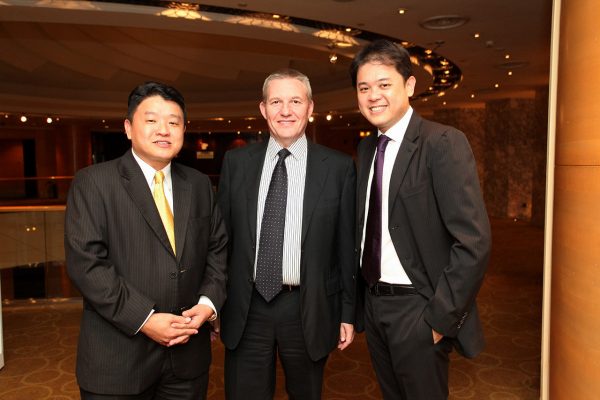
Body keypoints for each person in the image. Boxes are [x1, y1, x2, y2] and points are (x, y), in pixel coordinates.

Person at [65, 82, 228, 399]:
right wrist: (145, 319)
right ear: (128, 128)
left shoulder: (198, 184)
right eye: (151, 120)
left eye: (173, 122)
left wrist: (208, 304)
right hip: (118, 360)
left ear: (183, 130)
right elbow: (87, 265)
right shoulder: (93, 182)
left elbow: (217, 249)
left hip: (187, 358)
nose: (163, 130)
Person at [351, 39, 492, 400]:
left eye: (384, 84)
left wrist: (439, 319)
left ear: (410, 85)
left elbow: (473, 242)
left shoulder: (442, 143)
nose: (373, 96)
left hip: (418, 308)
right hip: (375, 304)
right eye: (364, 88)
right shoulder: (367, 148)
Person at [217, 68, 356, 400]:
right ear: (263, 109)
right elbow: (222, 242)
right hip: (246, 307)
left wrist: (348, 312)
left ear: (310, 107)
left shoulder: (338, 168)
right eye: (276, 102)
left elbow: (346, 246)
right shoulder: (236, 163)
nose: (285, 111)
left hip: (308, 307)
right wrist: (214, 303)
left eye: (295, 101)